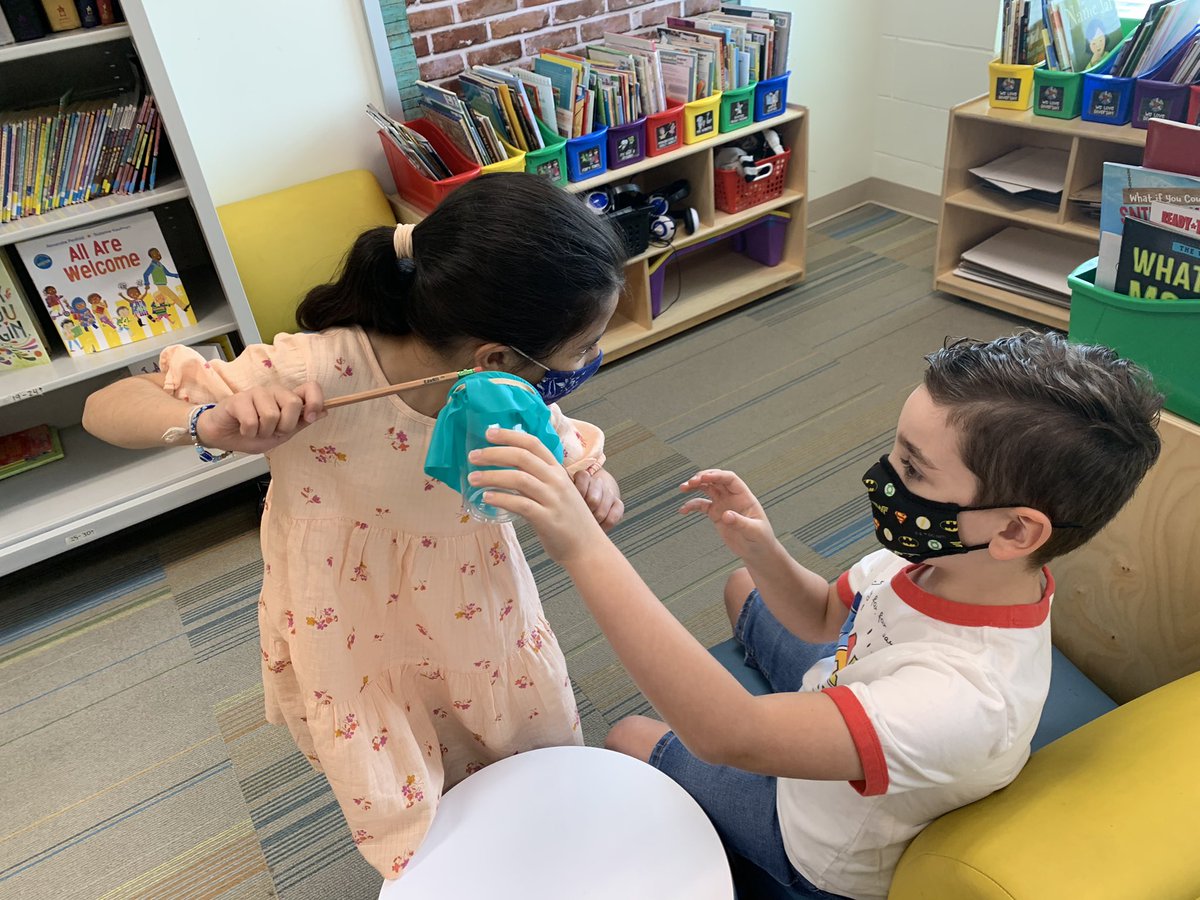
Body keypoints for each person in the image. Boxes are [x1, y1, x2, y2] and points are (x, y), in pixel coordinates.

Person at [468, 332, 1163, 900]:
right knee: (746, 583)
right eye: (895, 451)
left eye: (914, 471)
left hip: (815, 844)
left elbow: (725, 734)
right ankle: (797, 696)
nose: (885, 479)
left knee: (624, 735)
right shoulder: (946, 558)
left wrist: (583, 549)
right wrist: (763, 545)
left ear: (1015, 531)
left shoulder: (962, 698)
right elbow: (827, 613)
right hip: (852, 684)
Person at [82, 173, 628, 879]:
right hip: (352, 630)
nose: (589, 362)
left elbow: (559, 443)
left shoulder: (506, 392)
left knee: (523, 755)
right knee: (408, 805)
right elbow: (105, 406)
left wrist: (591, 477)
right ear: (492, 356)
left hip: (477, 614)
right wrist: (207, 421)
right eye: (584, 347)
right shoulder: (312, 370)